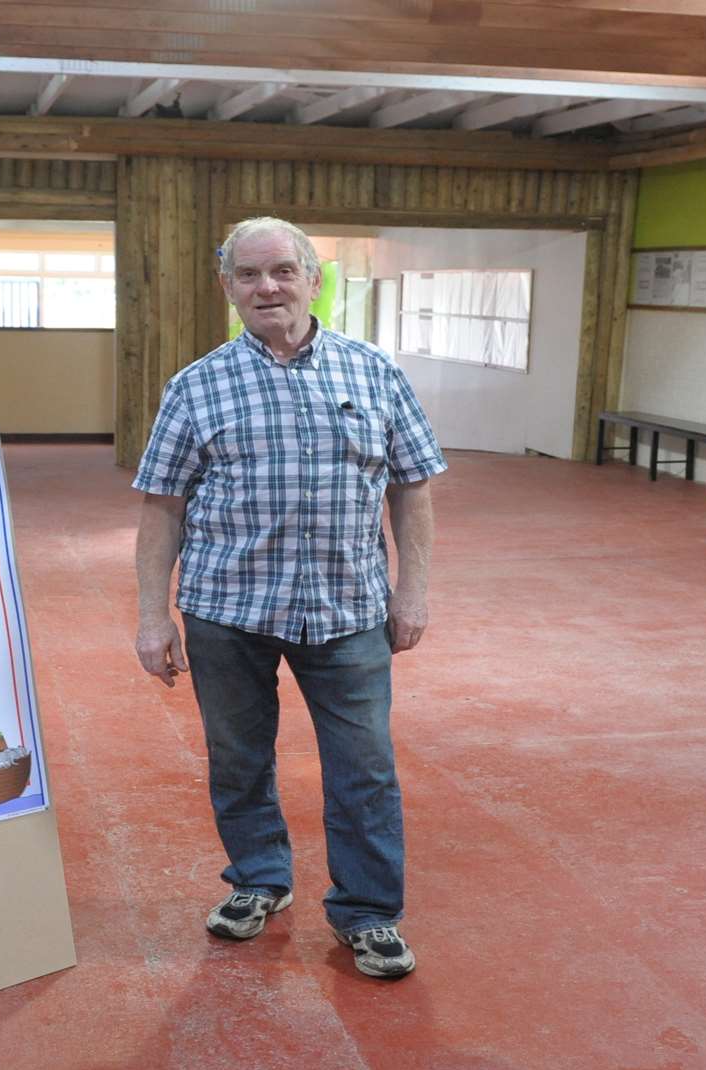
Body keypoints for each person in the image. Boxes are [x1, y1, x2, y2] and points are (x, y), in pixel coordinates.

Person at [132, 216, 445, 979]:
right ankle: (258, 880)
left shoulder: (374, 373)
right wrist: (152, 614)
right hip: (227, 611)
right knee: (239, 758)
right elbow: (161, 505)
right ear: (228, 286)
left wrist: (413, 593)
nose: (266, 287)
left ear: (311, 277)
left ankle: (369, 914)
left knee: (363, 765)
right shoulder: (197, 385)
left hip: (348, 611)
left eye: (281, 271)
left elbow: (412, 488)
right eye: (248, 275)